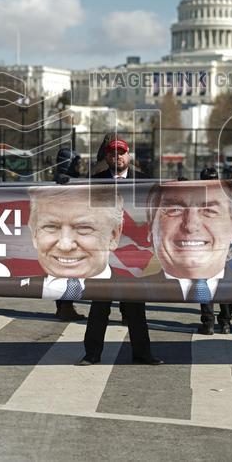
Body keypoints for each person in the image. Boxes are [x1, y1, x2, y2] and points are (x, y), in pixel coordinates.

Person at [79, 135, 161, 366]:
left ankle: (142, 353)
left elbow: (163, 199)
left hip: (132, 254)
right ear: (106, 156)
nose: (117, 157)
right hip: (103, 253)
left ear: (128, 155)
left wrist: (182, 185)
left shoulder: (143, 181)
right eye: (113, 153)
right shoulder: (94, 182)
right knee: (99, 307)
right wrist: (63, 182)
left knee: (136, 308)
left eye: (121, 153)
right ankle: (92, 354)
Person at [195, 166, 232, 335]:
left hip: (204, 246)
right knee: (222, 285)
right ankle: (225, 322)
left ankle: (208, 323)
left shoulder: (197, 200)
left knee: (204, 284)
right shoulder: (226, 198)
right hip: (222, 245)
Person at [51, 148, 86, 321]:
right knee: (68, 272)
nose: (80, 167)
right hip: (65, 234)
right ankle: (65, 307)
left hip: (68, 232)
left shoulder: (69, 181)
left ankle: (65, 306)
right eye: (76, 163)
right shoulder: (63, 182)